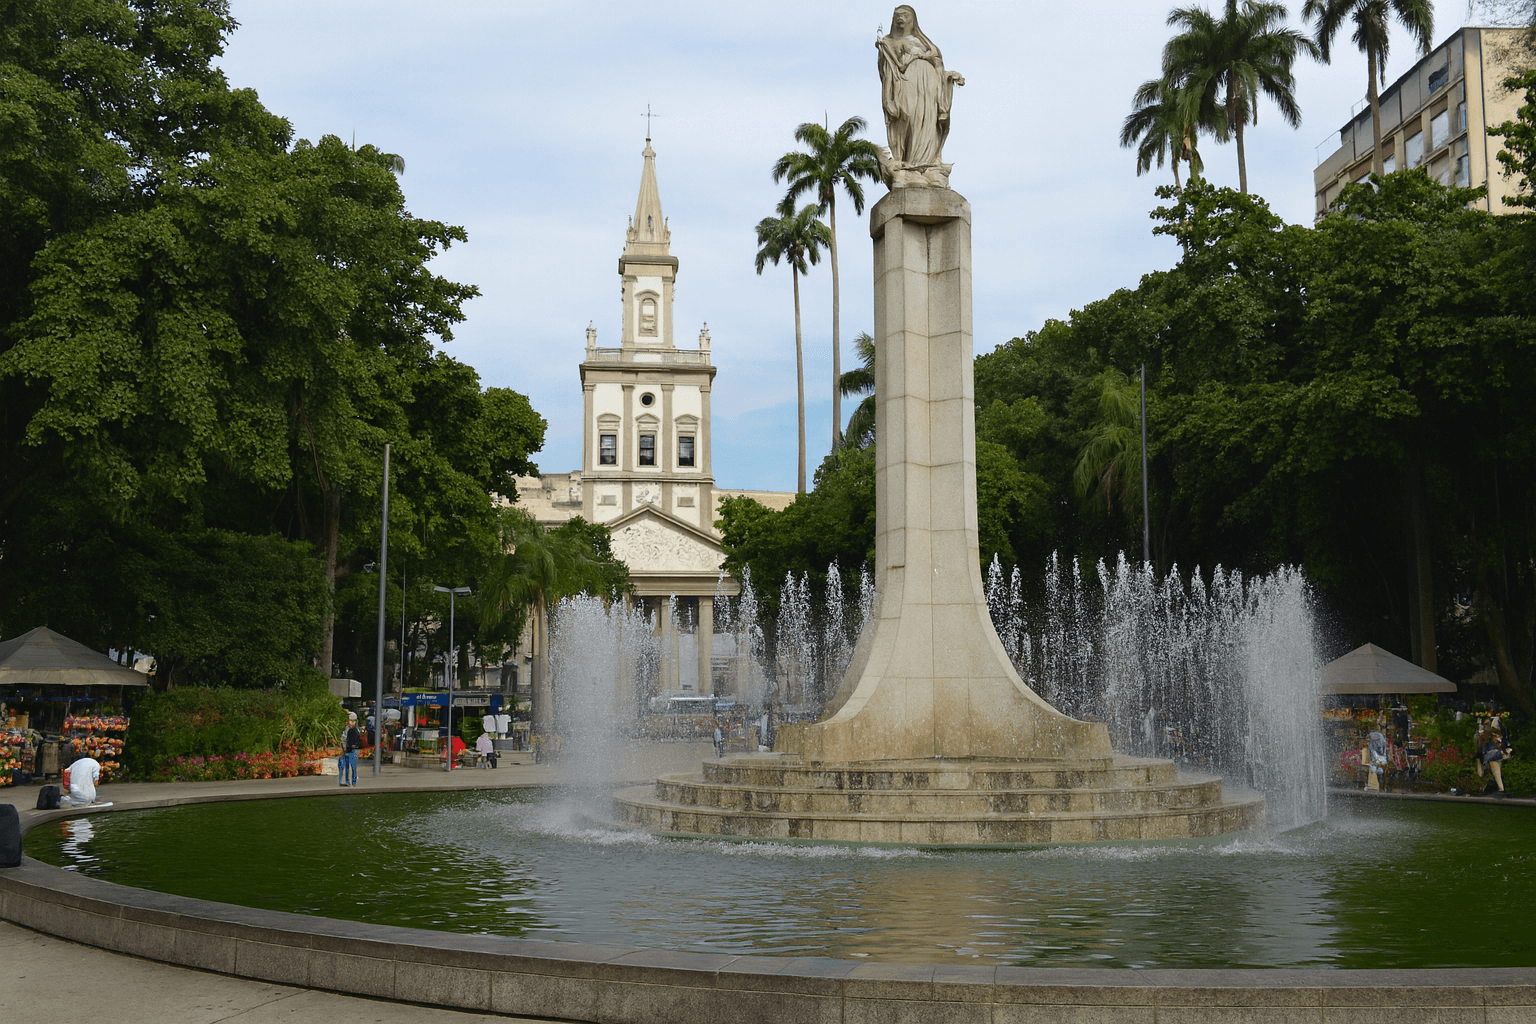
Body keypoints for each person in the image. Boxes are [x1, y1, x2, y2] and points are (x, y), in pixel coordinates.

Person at [876, 5, 965, 187]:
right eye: (897, 15)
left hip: (929, 90)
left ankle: (928, 167)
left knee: (928, 125)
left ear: (913, 19)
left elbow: (939, 66)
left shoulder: (925, 43)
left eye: (905, 15)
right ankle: (909, 167)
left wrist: (949, 77)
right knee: (909, 119)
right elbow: (887, 74)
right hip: (906, 86)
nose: (901, 18)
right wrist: (888, 99)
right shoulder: (888, 42)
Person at [1476, 716, 1507, 795]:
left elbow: (1501, 745)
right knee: (1487, 762)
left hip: (1496, 755)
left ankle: (1500, 788)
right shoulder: (1486, 736)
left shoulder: (1498, 735)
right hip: (1489, 756)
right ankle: (1486, 786)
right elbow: (1480, 746)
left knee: (1492, 761)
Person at [340, 712, 362, 787]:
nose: (351, 723)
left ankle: (354, 781)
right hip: (348, 749)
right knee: (347, 767)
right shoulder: (347, 729)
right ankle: (348, 781)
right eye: (350, 721)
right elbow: (344, 738)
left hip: (353, 749)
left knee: (353, 767)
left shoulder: (355, 730)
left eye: (353, 721)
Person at [1365, 722, 1388, 791]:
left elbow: (1373, 750)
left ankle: (1381, 785)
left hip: (1378, 757)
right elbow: (1383, 748)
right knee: (1380, 770)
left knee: (1380, 770)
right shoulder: (1380, 737)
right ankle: (1382, 786)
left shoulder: (1374, 738)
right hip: (1380, 757)